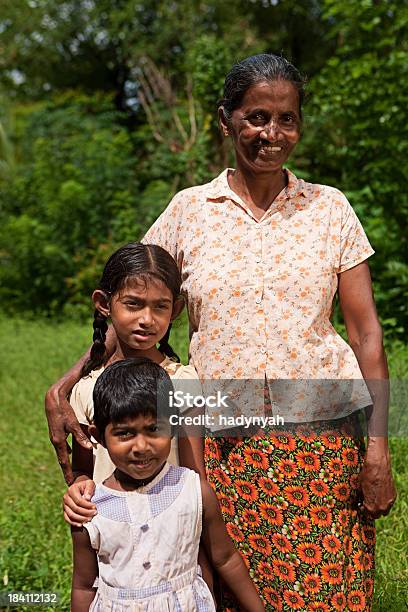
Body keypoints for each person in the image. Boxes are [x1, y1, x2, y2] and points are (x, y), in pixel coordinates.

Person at [47, 53, 396, 610]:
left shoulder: (330, 208)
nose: (272, 133)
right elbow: (136, 307)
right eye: (257, 117)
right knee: (229, 586)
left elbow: (367, 335)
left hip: (323, 439)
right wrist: (67, 384)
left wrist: (377, 448)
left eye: (287, 119)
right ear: (226, 119)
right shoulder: (190, 211)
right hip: (222, 442)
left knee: (331, 588)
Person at [71, 357, 265, 611]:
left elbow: (226, 558)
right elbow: (84, 586)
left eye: (153, 429)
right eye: (124, 433)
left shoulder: (193, 490)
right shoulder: (89, 510)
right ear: (99, 437)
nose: (141, 447)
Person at [62, 241, 205, 525]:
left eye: (160, 306)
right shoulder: (85, 389)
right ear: (104, 304)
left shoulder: (183, 382)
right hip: (112, 539)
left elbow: (195, 476)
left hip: (174, 530)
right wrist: (76, 491)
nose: (146, 320)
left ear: (175, 310)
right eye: (133, 304)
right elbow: (83, 470)